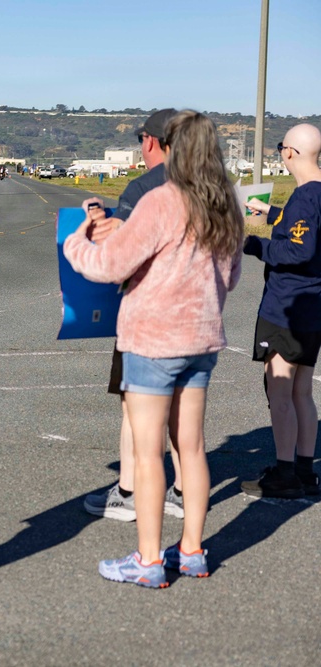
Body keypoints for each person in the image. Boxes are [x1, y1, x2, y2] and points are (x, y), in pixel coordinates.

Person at [64, 110, 243, 588]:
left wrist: (76, 242)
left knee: (147, 454)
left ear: (172, 146)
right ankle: (191, 551)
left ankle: (147, 560)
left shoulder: (162, 201)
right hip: (202, 338)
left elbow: (110, 265)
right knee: (194, 448)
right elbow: (231, 276)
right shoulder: (224, 203)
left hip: (153, 340)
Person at [80, 109, 187, 522]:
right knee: (183, 413)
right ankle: (181, 490)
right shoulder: (208, 185)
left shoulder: (143, 188)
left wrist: (91, 228)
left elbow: (118, 257)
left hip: (147, 317)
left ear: (150, 142)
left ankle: (129, 490)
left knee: (134, 407)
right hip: (194, 319)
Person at [240, 123, 321, 499]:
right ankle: (304, 470)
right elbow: (304, 232)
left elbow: (298, 250)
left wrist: (254, 245)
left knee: (281, 389)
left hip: (287, 306)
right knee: (302, 391)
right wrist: (270, 212)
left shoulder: (305, 196)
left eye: (280, 148)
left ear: (290, 153)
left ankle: (285, 473)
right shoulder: (314, 195)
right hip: (312, 306)